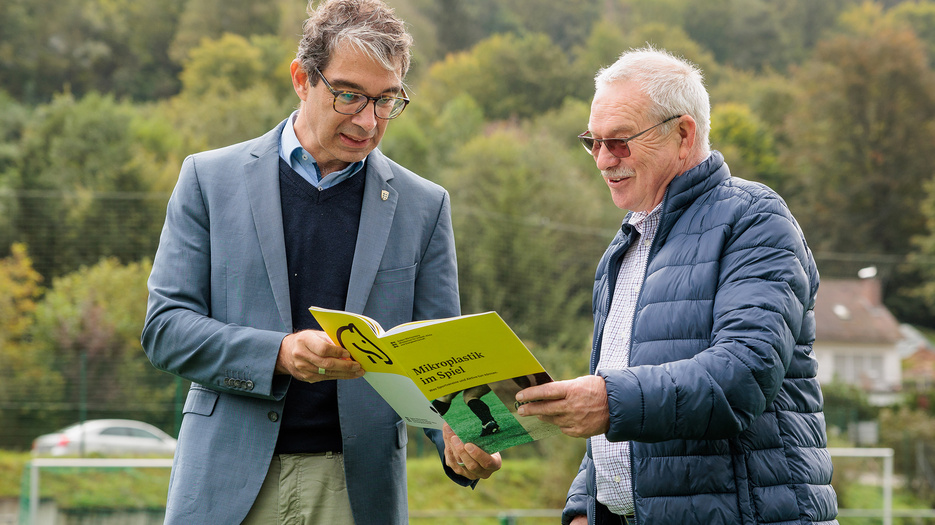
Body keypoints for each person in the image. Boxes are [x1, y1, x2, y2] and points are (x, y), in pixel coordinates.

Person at [141, 1, 501, 523]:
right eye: (349, 95)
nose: (368, 120)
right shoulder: (207, 180)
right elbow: (165, 330)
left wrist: (463, 441)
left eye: (386, 100)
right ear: (301, 79)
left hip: (357, 491)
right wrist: (279, 354)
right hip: (225, 482)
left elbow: (438, 361)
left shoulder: (425, 206)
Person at [515, 47, 838, 525]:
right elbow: (615, 408)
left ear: (683, 135)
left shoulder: (755, 219)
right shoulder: (624, 246)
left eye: (620, 141)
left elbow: (743, 376)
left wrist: (608, 401)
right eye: (594, 142)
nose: (604, 160)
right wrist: (586, 505)